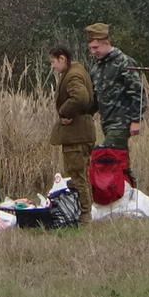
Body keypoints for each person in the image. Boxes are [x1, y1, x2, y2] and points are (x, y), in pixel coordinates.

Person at [85, 22, 145, 155]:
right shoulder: (97, 68)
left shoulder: (124, 62)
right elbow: (95, 97)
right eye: (91, 48)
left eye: (96, 47)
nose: (93, 52)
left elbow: (137, 93)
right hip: (106, 122)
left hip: (122, 123)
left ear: (106, 42)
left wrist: (136, 120)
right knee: (118, 161)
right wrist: (81, 114)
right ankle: (126, 177)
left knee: (106, 155)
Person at [48, 44, 94, 210]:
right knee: (83, 175)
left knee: (77, 176)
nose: (53, 66)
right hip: (84, 132)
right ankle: (86, 211)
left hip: (76, 136)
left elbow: (81, 97)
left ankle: (84, 215)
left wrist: (65, 112)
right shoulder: (79, 70)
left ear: (62, 58)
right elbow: (91, 100)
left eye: (54, 61)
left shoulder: (73, 75)